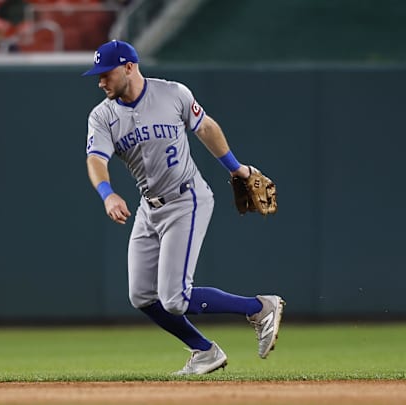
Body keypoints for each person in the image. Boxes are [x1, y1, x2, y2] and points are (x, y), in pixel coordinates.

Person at [82, 40, 285, 376]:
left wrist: (238, 169)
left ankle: (259, 307)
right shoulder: (102, 115)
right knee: (142, 296)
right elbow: (95, 159)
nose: (100, 80)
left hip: (186, 199)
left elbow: (205, 127)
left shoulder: (173, 93)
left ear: (129, 67)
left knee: (174, 297)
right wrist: (107, 193)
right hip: (149, 208)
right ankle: (204, 351)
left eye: (106, 73)